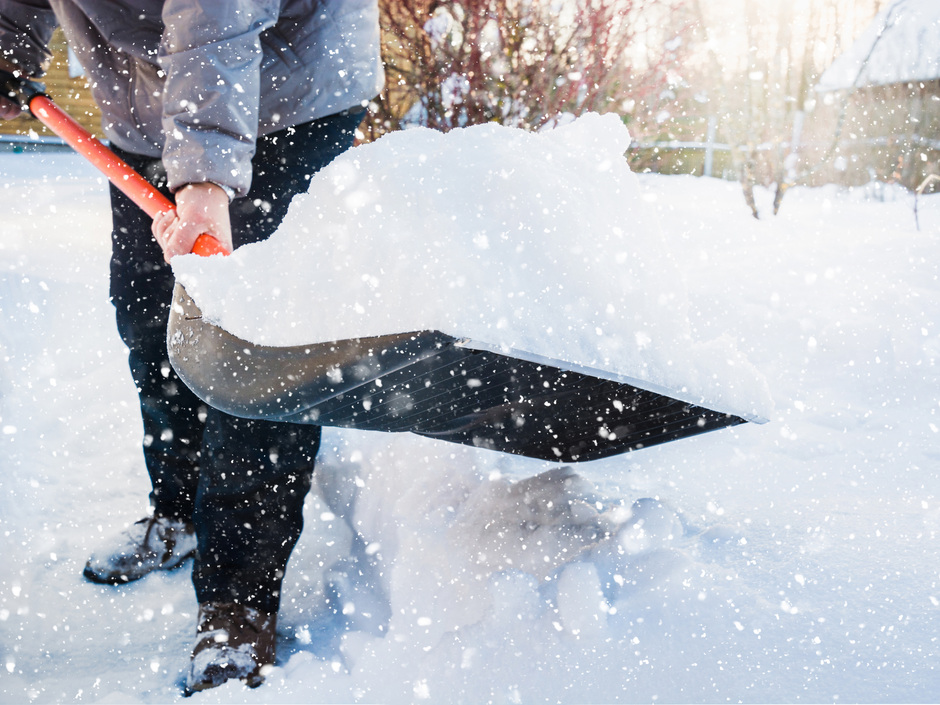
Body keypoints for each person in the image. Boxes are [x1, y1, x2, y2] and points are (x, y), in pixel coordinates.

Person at [0, 0, 383, 693]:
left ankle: (238, 597)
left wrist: (204, 178)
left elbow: (217, 14)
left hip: (286, 88)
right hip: (149, 105)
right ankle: (177, 510)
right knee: (151, 314)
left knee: (253, 343)